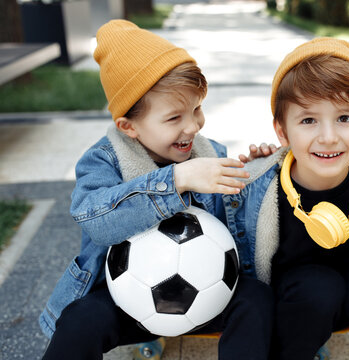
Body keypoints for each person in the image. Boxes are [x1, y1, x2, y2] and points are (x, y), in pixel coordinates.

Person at [38, 20, 274, 360]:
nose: (192, 126)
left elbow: (252, 220)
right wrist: (177, 180)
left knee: (257, 300)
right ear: (128, 126)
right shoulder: (103, 161)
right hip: (128, 299)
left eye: (197, 109)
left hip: (210, 293)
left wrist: (260, 169)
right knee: (79, 320)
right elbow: (95, 220)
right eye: (174, 117)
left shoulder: (211, 153)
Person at [221, 37, 349, 360]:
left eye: (344, 118)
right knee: (318, 286)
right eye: (308, 120)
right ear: (282, 132)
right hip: (296, 301)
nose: (328, 137)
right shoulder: (263, 187)